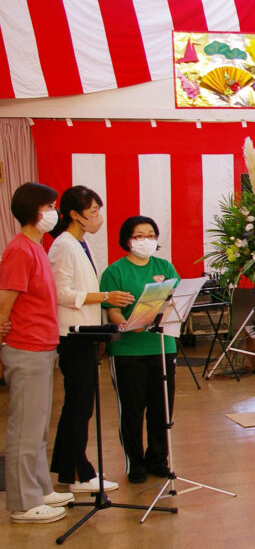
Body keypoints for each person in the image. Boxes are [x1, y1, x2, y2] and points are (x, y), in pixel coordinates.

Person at [48, 186, 134, 493]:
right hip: (73, 334)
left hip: (85, 332)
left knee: (80, 404)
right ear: (75, 214)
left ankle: (67, 468)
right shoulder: (63, 245)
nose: (98, 217)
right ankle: (79, 472)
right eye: (93, 211)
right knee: (79, 405)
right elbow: (60, 293)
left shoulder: (80, 243)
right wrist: (105, 296)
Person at [0, 182, 75, 523]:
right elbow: (6, 302)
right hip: (26, 346)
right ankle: (22, 503)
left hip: (43, 345)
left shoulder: (36, 246)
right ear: (34, 210)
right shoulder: (19, 250)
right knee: (25, 428)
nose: (54, 213)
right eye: (49, 207)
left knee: (39, 426)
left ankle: (40, 487)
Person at [99, 216, 179, 484]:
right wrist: (127, 325)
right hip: (128, 351)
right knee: (132, 410)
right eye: (139, 236)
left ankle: (157, 459)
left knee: (161, 408)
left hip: (162, 346)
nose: (146, 241)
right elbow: (112, 312)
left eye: (151, 235)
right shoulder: (115, 272)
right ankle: (134, 462)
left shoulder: (164, 267)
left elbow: (175, 300)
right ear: (127, 240)